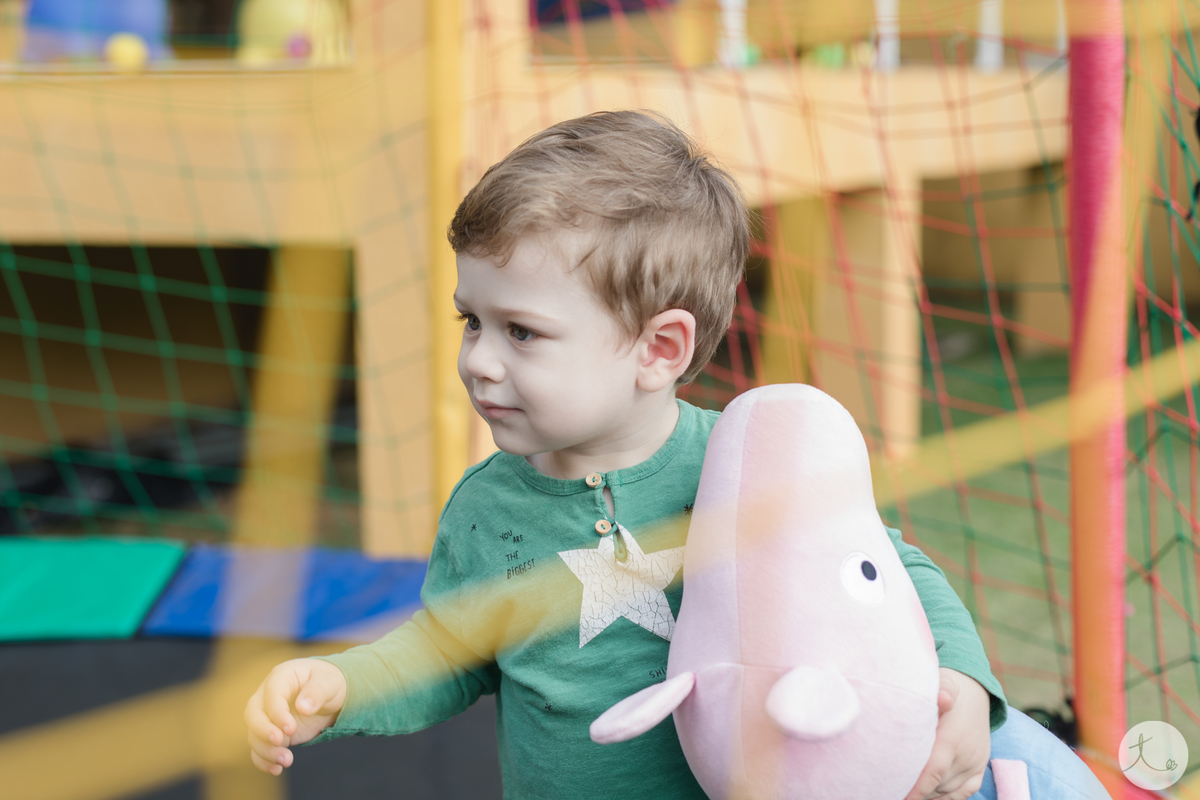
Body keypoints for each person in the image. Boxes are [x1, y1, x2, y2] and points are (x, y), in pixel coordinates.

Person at [243, 110, 1076, 800]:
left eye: (522, 332)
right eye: (473, 321)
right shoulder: (487, 511)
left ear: (658, 348)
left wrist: (967, 686)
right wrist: (343, 686)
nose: (479, 360)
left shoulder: (748, 467)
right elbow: (443, 651)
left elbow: (891, 573)